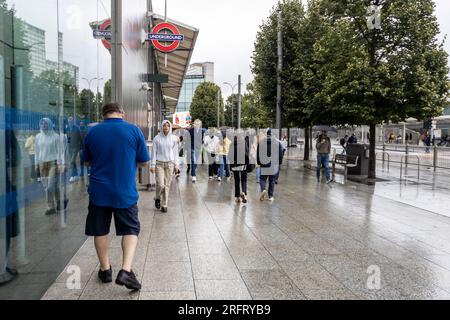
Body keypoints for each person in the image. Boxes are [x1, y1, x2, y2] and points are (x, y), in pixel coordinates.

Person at [82, 103, 150, 291]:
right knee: (130, 229)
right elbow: (144, 162)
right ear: (122, 113)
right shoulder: (134, 131)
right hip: (124, 191)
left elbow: (86, 161)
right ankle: (126, 270)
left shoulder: (93, 133)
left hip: (98, 191)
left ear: (103, 115)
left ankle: (105, 271)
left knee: (100, 230)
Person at [35, 118, 68, 215]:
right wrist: (36, 163)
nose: (43, 126)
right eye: (41, 124)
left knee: (50, 186)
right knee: (47, 187)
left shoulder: (56, 136)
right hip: (42, 164)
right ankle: (56, 204)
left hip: (53, 163)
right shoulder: (38, 136)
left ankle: (53, 205)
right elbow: (37, 151)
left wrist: (60, 163)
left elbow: (60, 151)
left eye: (45, 124)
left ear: (49, 125)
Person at [150, 120, 179, 213]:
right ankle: (157, 197)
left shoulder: (174, 139)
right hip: (159, 164)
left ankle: (164, 204)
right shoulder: (156, 138)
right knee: (160, 184)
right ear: (162, 127)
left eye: (168, 125)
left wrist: (176, 165)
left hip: (170, 164)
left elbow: (175, 153)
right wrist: (152, 165)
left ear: (170, 127)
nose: (166, 127)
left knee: (167, 185)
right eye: (164, 125)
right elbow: (153, 153)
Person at [257, 129, 284, 201]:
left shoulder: (261, 143)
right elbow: (280, 154)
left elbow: (258, 154)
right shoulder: (277, 143)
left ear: (267, 135)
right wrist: (279, 162)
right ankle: (270, 196)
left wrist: (259, 162)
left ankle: (263, 189)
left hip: (264, 164)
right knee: (272, 180)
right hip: (274, 164)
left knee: (262, 179)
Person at [229, 132, 250, 204]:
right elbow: (247, 154)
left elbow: (229, 155)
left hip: (235, 164)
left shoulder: (232, 144)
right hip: (243, 164)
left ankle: (237, 197)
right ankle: (244, 192)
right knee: (244, 180)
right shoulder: (244, 143)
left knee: (237, 181)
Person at [66, 117, 83, 183]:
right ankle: (75, 175)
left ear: (73, 121)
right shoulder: (67, 128)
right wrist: (68, 144)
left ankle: (72, 175)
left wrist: (81, 147)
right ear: (68, 121)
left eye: (71, 120)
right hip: (70, 147)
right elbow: (68, 138)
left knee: (72, 161)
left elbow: (80, 137)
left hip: (76, 147)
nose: (70, 121)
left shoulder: (76, 128)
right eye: (69, 120)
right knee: (72, 161)